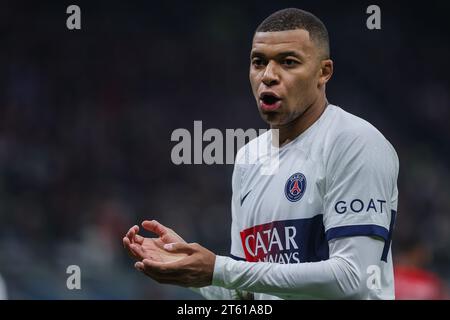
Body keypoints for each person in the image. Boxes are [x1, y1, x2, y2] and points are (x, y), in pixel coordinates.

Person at [123, 8, 399, 299]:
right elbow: (246, 294)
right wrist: (190, 269)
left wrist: (218, 269)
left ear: (323, 72)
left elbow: (352, 278)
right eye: (258, 62)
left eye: (288, 62)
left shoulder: (354, 142)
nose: (268, 75)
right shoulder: (248, 159)